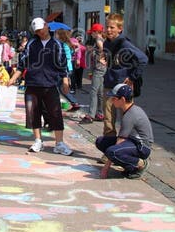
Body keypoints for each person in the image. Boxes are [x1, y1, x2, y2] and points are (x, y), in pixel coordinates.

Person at [7, 17, 73, 155]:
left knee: (55, 113)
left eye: (41, 29)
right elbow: (22, 64)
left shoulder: (57, 44)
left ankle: (59, 143)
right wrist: (13, 78)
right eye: (37, 31)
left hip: (50, 83)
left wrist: (65, 81)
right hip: (32, 83)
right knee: (33, 113)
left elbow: (63, 65)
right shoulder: (31, 44)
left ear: (46, 26)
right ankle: (38, 140)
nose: (40, 32)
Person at [102, 13, 148, 138]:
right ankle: (109, 144)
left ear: (120, 29)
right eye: (107, 27)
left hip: (123, 86)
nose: (108, 30)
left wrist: (132, 77)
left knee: (127, 118)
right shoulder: (106, 43)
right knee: (108, 119)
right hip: (109, 83)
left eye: (112, 27)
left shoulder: (124, 44)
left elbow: (143, 59)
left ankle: (126, 144)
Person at [96, 83, 153, 179]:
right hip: (132, 141)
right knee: (100, 141)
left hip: (142, 147)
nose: (112, 100)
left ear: (122, 99)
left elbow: (120, 141)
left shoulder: (130, 114)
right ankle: (127, 165)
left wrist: (106, 168)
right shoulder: (129, 110)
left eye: (114, 98)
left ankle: (140, 164)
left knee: (112, 152)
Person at [80, 23, 106, 124]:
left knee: (93, 92)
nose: (91, 34)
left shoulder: (98, 40)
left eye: (92, 33)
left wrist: (101, 57)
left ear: (96, 32)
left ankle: (91, 115)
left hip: (99, 69)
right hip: (100, 68)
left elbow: (102, 49)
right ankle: (100, 113)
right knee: (100, 92)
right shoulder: (101, 39)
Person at [54, 28, 81, 111]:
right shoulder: (66, 44)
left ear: (60, 35)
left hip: (65, 68)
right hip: (68, 68)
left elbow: (62, 57)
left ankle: (55, 104)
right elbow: (72, 52)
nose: (55, 36)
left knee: (56, 86)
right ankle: (74, 102)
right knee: (61, 87)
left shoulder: (63, 45)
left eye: (56, 34)